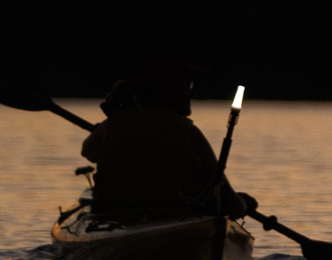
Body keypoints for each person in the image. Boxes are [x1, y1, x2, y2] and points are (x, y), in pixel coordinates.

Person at [81, 54, 253, 225]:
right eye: (187, 85)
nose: (192, 93)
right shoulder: (188, 132)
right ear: (166, 89)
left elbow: (88, 151)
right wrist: (244, 203)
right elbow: (230, 203)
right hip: (174, 220)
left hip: (112, 218)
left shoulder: (110, 126)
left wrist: (113, 125)